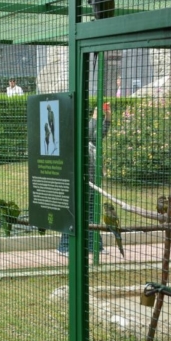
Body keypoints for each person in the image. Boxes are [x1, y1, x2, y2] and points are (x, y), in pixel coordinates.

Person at [57, 104, 111, 256]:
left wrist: (107, 117)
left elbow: (100, 133)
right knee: (74, 214)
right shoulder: (70, 136)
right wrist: (94, 117)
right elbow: (86, 133)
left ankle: (95, 245)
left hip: (92, 183)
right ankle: (65, 246)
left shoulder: (90, 141)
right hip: (75, 182)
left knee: (92, 214)